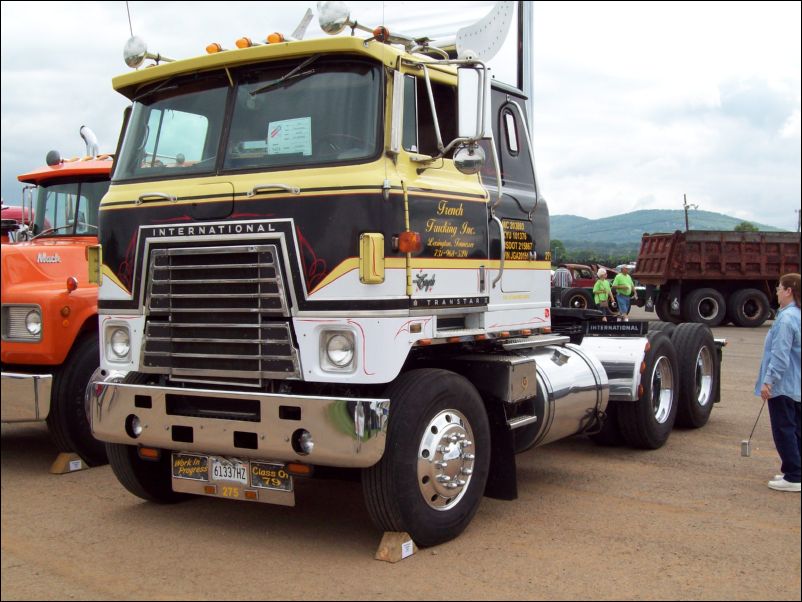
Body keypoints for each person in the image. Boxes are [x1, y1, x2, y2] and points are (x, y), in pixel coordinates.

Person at [754, 273, 801, 492]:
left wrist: (769, 381)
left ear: (789, 290)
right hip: (797, 383)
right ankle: (795, 469)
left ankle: (793, 475)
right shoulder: (798, 315)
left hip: (783, 384)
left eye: (779, 288)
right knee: (796, 429)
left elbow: (780, 354)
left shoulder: (786, 318)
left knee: (783, 429)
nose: (777, 291)